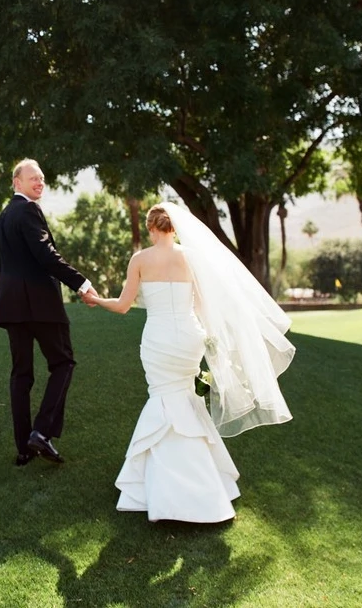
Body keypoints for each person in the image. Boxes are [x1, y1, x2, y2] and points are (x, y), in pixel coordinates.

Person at [89, 203, 294, 523]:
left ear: (151, 228)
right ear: (174, 227)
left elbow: (123, 305)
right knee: (184, 399)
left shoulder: (140, 259)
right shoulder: (191, 258)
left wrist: (96, 299)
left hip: (158, 339)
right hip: (188, 338)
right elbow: (202, 306)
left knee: (162, 397)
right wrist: (211, 341)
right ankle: (205, 485)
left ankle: (162, 487)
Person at [0, 159, 99, 466]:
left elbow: (0, 264)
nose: (39, 183)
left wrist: (10, 297)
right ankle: (40, 432)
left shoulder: (3, 217)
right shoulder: (28, 210)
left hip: (13, 307)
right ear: (17, 183)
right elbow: (46, 256)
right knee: (63, 362)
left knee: (21, 376)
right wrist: (82, 284)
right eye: (33, 179)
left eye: (41, 179)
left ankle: (24, 449)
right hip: (40, 304)